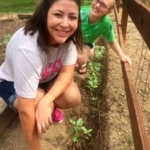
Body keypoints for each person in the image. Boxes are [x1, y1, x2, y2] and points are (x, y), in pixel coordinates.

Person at [0, 0, 83, 149]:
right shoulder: (28, 48)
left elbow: (66, 74)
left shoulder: (69, 40)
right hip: (11, 83)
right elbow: (25, 111)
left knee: (72, 96)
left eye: (72, 17)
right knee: (32, 104)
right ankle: (41, 101)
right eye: (58, 14)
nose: (65, 24)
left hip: (43, 79)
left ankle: (46, 102)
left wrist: (47, 101)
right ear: (44, 13)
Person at [77, 0, 131, 74]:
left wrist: (122, 55)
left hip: (86, 43)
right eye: (97, 1)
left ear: (108, 11)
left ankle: (83, 62)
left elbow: (112, 40)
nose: (97, 5)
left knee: (81, 58)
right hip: (72, 39)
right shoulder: (80, 12)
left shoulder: (106, 23)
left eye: (103, 5)